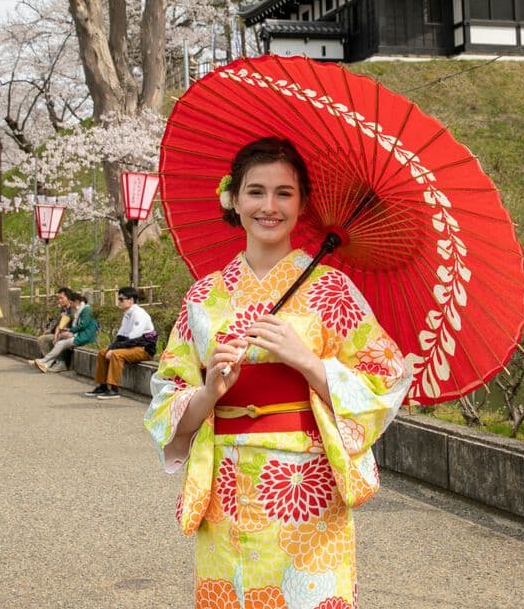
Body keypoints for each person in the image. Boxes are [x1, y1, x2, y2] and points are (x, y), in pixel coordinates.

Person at [145, 137, 410, 608]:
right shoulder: (203, 297)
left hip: (306, 488)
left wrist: (307, 361)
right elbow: (168, 395)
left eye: (284, 193)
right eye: (256, 191)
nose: (269, 206)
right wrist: (208, 393)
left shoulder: (332, 290)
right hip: (225, 487)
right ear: (234, 199)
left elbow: (383, 379)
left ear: (302, 203)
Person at [85, 287, 157, 399]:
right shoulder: (127, 314)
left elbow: (133, 339)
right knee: (103, 353)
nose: (119, 302)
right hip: (132, 346)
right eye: (119, 299)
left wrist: (114, 350)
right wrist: (111, 348)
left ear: (131, 300)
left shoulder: (139, 314)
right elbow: (121, 336)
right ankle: (102, 386)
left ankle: (114, 389)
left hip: (144, 349)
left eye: (121, 299)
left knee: (116, 355)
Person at [33, 289, 97, 373]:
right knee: (58, 340)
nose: (71, 305)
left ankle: (48, 362)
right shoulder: (76, 309)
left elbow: (82, 325)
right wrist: (56, 331)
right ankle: (46, 364)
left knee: (60, 340)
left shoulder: (85, 310)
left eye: (71, 303)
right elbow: (61, 324)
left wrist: (69, 330)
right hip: (78, 335)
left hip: (83, 337)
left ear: (76, 301)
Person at [35, 291, 74, 360]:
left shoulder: (72, 310)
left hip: (68, 335)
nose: (59, 300)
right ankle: (49, 361)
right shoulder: (63, 309)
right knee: (42, 338)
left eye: (62, 298)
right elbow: (58, 324)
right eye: (58, 299)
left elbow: (64, 326)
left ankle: (54, 362)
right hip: (60, 333)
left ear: (69, 298)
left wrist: (57, 334)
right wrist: (50, 330)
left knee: (49, 339)